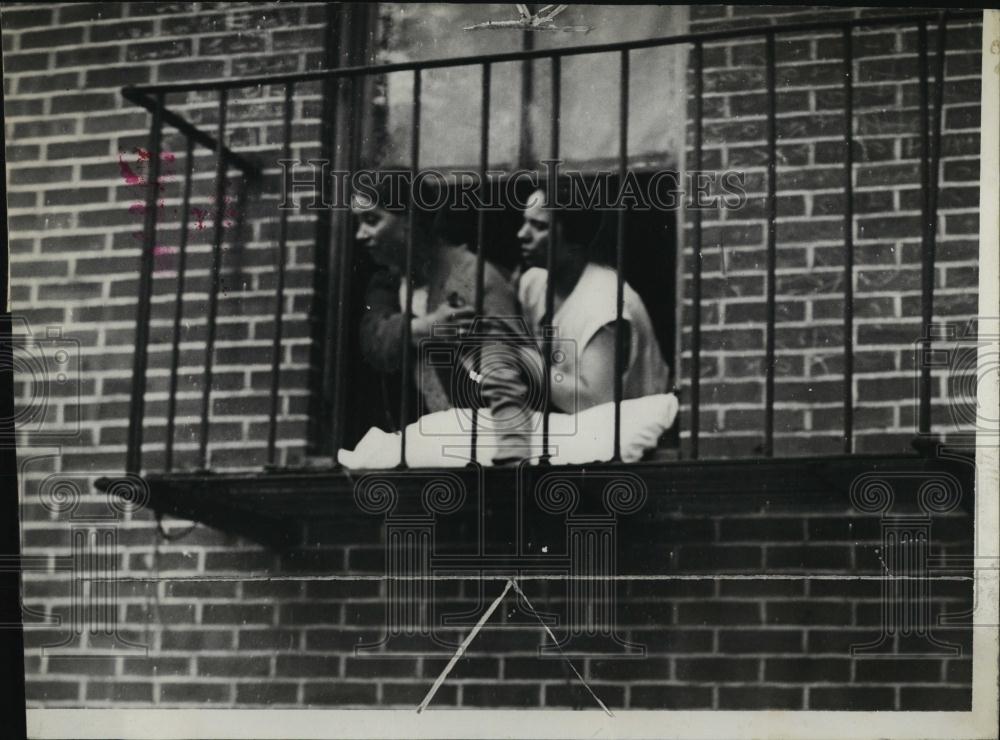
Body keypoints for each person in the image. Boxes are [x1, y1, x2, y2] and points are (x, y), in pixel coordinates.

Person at [353, 179, 533, 464]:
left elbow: (504, 369)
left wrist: (513, 448)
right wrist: (426, 327)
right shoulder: (387, 283)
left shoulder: (472, 276)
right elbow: (374, 342)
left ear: (411, 220)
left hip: (487, 438)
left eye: (372, 220)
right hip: (435, 442)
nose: (360, 235)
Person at [516, 188, 670, 414]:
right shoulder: (533, 284)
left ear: (574, 238)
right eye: (525, 222)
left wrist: (521, 358)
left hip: (635, 433)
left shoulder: (605, 301)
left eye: (539, 226)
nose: (522, 234)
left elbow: (596, 403)